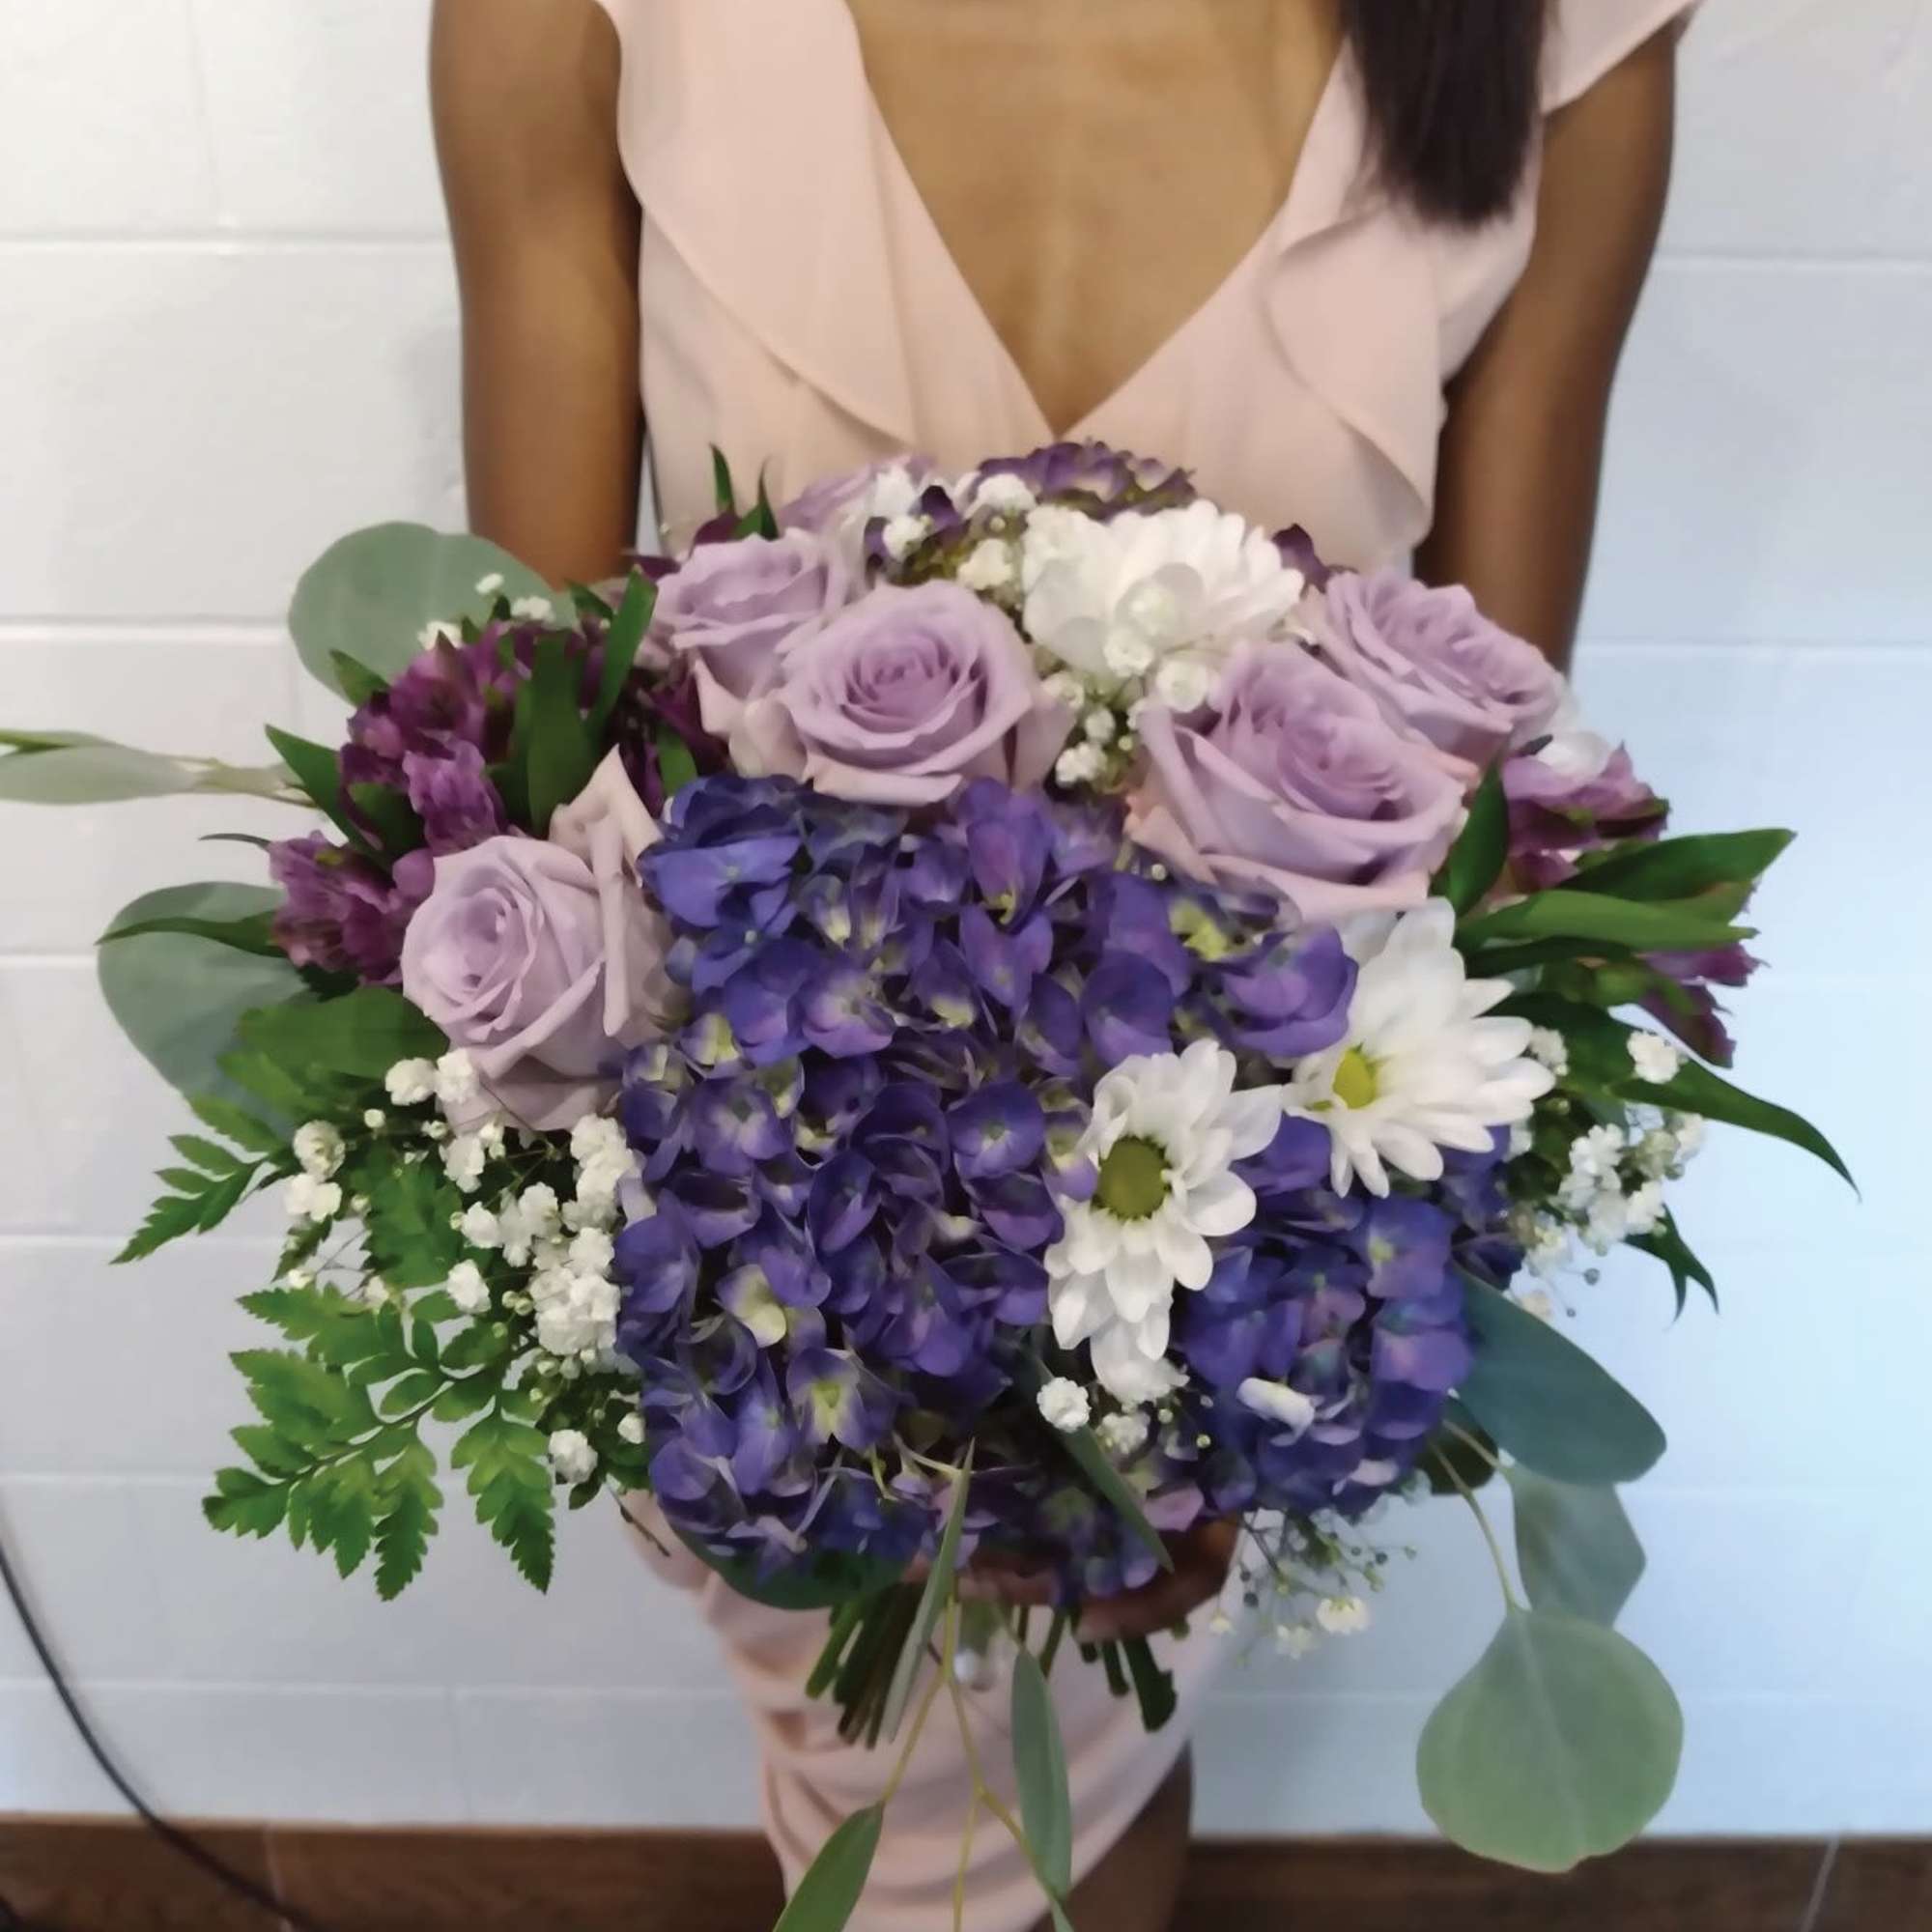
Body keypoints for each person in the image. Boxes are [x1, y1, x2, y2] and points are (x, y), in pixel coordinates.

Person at [430, 3, 1696, 1923]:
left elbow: (1488, 802)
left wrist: (1245, 1358)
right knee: (958, 1817)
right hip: (774, 1229)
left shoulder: (1558, 41)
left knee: (1037, 1809)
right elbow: (529, 737)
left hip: (1222, 1248)